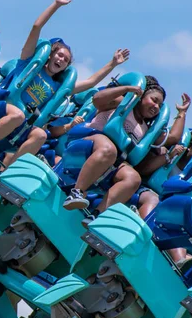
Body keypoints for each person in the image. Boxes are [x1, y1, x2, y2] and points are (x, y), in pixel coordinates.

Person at [0, 0, 130, 168]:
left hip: (19, 127)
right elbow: (36, 27)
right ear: (50, 55)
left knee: (40, 135)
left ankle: (3, 172)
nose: (61, 59)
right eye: (59, 55)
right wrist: (56, 5)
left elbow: (92, 82)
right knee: (18, 115)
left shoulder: (59, 87)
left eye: (65, 60)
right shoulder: (28, 63)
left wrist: (112, 64)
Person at [62, 76, 183, 227]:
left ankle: (96, 215)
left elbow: (173, 138)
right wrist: (127, 90)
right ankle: (76, 192)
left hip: (113, 159)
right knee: (109, 150)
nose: (156, 106)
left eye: (159, 105)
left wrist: (182, 113)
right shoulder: (123, 104)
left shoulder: (147, 129)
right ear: (141, 97)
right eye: (153, 100)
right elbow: (97, 99)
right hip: (89, 142)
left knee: (133, 178)